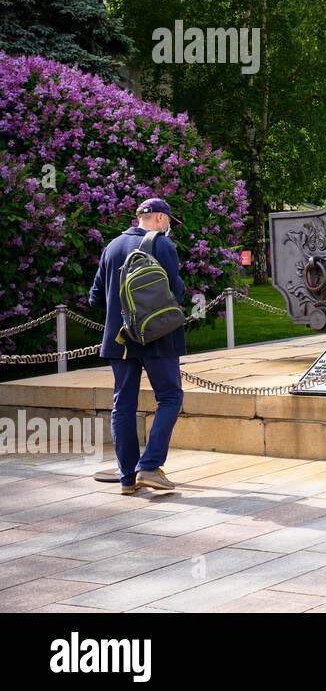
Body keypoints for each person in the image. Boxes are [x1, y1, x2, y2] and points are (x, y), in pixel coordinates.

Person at [89, 198, 187, 494]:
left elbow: (95, 298)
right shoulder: (162, 245)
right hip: (158, 336)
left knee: (123, 405)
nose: (169, 226)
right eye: (168, 220)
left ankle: (127, 479)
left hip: (119, 340)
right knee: (170, 397)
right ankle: (150, 465)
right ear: (159, 218)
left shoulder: (113, 246)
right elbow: (177, 291)